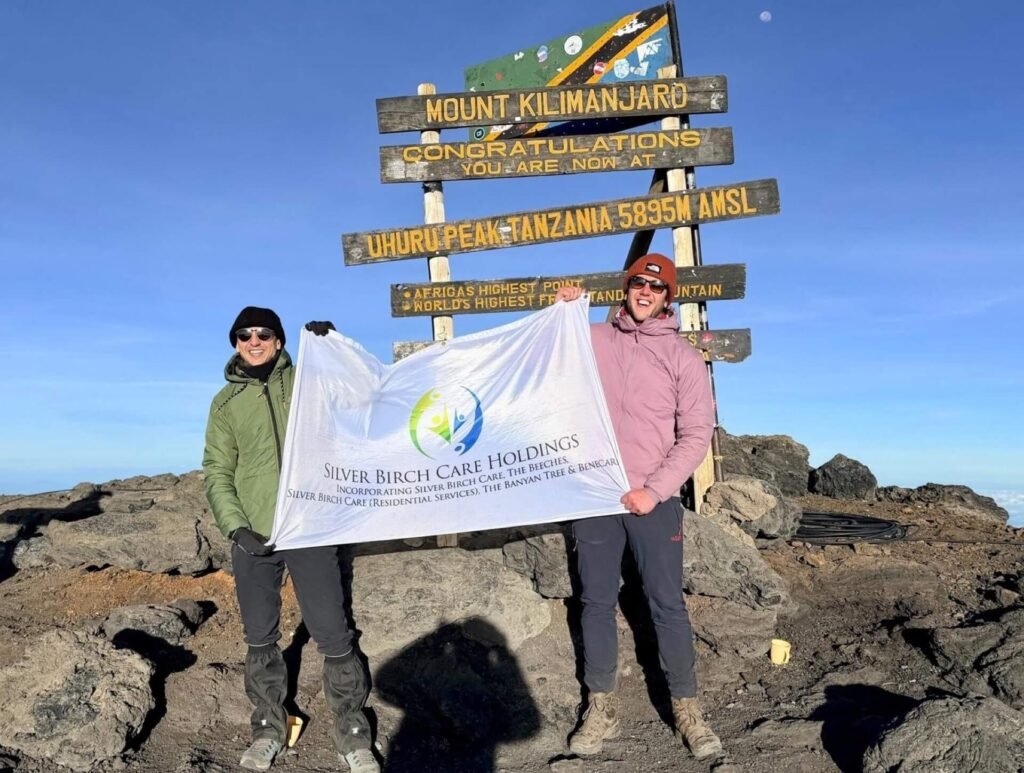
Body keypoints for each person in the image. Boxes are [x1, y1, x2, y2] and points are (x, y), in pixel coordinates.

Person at [555, 254, 723, 760]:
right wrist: (562, 311)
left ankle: (687, 708)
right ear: (626, 289)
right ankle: (600, 706)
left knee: (667, 603)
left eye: (656, 286)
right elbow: (545, 356)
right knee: (595, 601)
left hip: (655, 499)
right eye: (638, 284)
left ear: (668, 297)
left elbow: (696, 434)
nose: (645, 292)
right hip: (596, 496)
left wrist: (655, 489)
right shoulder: (593, 339)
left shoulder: (683, 358)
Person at [203, 306, 379, 773]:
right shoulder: (225, 403)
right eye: (244, 335)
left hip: (310, 526)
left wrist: (332, 349)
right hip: (254, 533)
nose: (254, 341)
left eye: (263, 334)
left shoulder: (308, 382)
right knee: (260, 636)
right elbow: (217, 470)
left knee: (333, 633)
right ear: (236, 343)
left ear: (279, 341)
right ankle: (268, 728)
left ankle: (352, 732)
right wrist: (236, 527)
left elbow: (357, 397)